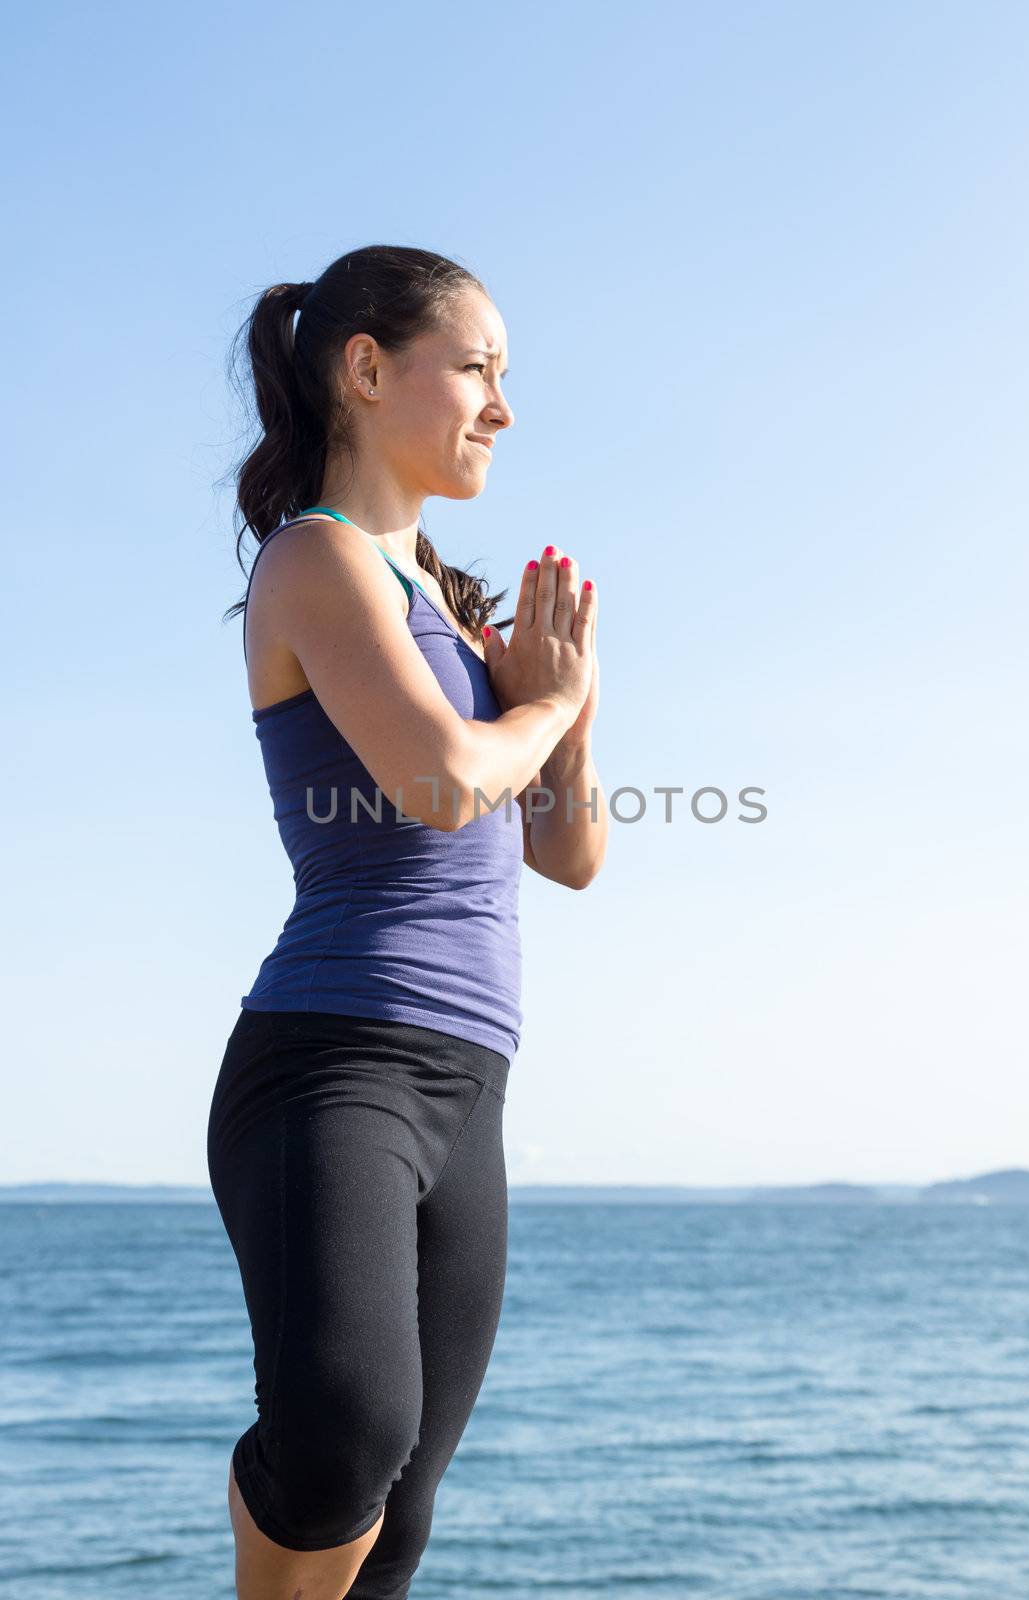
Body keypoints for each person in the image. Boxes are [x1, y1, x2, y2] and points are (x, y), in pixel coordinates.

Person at [206, 244, 607, 1600]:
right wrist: (532, 710)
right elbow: (441, 788)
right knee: (342, 1440)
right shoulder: (315, 566)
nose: (502, 404)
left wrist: (571, 706)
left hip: (470, 1082)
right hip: (334, 1059)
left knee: (405, 1507)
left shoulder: (444, 600)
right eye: (480, 369)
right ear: (366, 370)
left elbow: (569, 856)